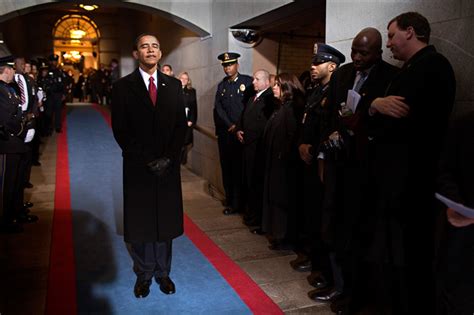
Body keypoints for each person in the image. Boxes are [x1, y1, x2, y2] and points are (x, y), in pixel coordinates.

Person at [367, 12, 456, 314]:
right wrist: (375, 105)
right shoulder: (410, 68)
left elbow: (397, 121)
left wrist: (377, 108)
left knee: (412, 260)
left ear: (410, 32)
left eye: (391, 35)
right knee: (396, 257)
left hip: (413, 179)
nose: (388, 43)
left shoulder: (432, 66)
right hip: (399, 179)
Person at [309, 28, 400, 314]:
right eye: (354, 51)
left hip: (366, 170)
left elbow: (389, 129)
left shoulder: (390, 78)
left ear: (378, 52)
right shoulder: (343, 73)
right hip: (338, 163)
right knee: (333, 226)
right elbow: (330, 114)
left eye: (365, 53)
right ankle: (339, 284)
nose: (358, 58)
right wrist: (327, 146)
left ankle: (356, 293)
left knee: (359, 234)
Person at [111, 33, 186, 298]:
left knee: (164, 222)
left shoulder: (175, 86)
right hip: (138, 167)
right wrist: (146, 159)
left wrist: (168, 158)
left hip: (168, 167)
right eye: (145, 46)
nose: (150, 50)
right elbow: (120, 130)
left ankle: (163, 273)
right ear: (136, 54)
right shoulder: (122, 88)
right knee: (141, 222)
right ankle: (143, 274)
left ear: (160, 52)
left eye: (155, 46)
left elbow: (180, 128)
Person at [293, 44, 344, 293]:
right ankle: (314, 259)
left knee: (323, 218)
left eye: (318, 63)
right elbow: (308, 122)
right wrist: (303, 144)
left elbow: (328, 127)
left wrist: (313, 147)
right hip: (308, 159)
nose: (312, 67)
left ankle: (324, 269)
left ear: (332, 66)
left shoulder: (334, 92)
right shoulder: (315, 91)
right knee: (311, 213)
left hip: (322, 160)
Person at [436, 111, 474, 314]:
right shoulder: (463, 125)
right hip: (462, 225)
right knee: (455, 292)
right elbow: (443, 171)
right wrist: (454, 203)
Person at [262, 73, 305, 250]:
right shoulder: (280, 108)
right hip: (275, 161)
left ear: (287, 88)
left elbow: (291, 137)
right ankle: (277, 234)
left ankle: (283, 237)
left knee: (281, 200)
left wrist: (283, 156)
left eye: (278, 85)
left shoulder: (290, 109)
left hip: (284, 164)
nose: (274, 87)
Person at [235, 69, 275, 234]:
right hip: (247, 147)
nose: (254, 82)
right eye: (253, 79)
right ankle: (249, 214)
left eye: (257, 79)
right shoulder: (252, 98)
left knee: (256, 184)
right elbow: (243, 117)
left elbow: (263, 125)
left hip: (258, 149)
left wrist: (250, 136)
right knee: (248, 181)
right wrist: (239, 129)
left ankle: (257, 218)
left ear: (266, 82)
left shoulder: (269, 100)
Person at [213, 52, 253, 215]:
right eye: (225, 65)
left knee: (240, 170)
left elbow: (249, 107)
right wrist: (230, 125)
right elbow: (218, 108)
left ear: (237, 65)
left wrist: (238, 126)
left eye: (230, 64)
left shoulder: (247, 82)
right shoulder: (222, 85)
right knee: (227, 169)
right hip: (226, 134)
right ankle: (231, 202)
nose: (227, 68)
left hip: (241, 134)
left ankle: (242, 203)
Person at [0, 54, 29, 234]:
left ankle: (13, 213)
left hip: (14, 141)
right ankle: (4, 220)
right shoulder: (1, 90)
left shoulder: (8, 89)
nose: (13, 73)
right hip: (6, 142)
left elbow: (17, 110)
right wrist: (19, 129)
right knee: (6, 185)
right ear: (5, 71)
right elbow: (5, 119)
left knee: (15, 181)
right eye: (11, 69)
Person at [178, 71, 197, 164]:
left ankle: (181, 161)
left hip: (187, 121)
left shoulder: (191, 91)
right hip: (177, 121)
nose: (184, 80)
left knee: (185, 141)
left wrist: (191, 121)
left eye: (186, 79)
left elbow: (194, 108)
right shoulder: (174, 90)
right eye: (182, 78)